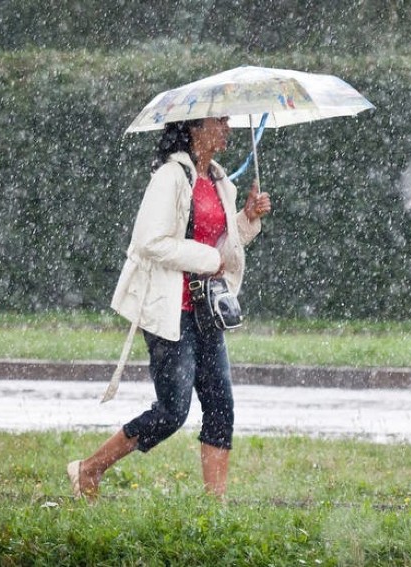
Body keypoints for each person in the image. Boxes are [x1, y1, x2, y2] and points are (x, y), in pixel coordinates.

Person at [67, 116, 271, 501]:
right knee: (171, 412)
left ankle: (216, 509)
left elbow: (224, 245)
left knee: (221, 408)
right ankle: (89, 468)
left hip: (206, 311)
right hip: (169, 312)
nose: (228, 127)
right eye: (220, 121)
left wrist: (248, 219)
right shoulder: (170, 177)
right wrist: (207, 258)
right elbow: (151, 242)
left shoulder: (219, 180)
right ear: (196, 128)